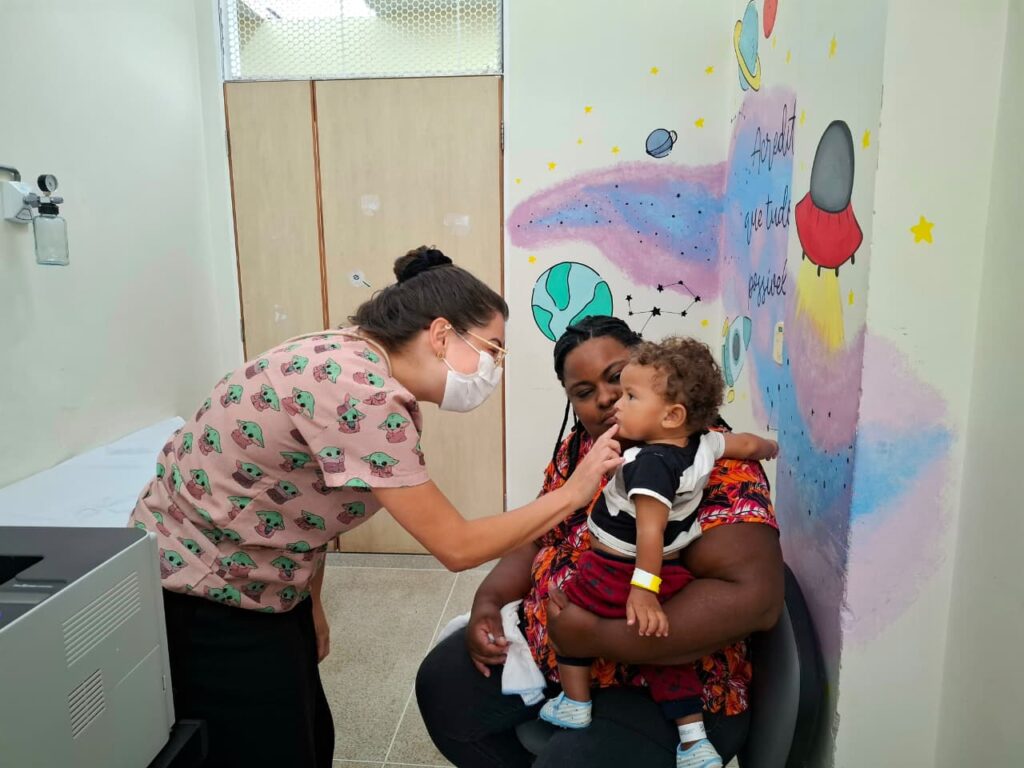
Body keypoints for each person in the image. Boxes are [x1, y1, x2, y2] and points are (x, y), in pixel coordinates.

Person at [128, 247, 622, 768]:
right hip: (209, 590)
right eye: (492, 350)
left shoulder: (342, 351)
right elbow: (456, 546)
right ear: (440, 334)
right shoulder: (361, 396)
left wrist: (309, 602)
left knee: (308, 731)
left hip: (258, 576)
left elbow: (305, 496)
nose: (493, 368)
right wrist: (572, 493)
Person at [416, 316, 784, 767]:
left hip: (667, 683)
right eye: (584, 392)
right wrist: (489, 601)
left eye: (618, 380)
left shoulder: (711, 468)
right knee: (443, 688)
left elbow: (754, 600)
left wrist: (593, 636)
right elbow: (538, 536)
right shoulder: (582, 450)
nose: (608, 398)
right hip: (566, 655)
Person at [538, 337, 779, 768]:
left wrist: (640, 592)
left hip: (616, 575)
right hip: (661, 584)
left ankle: (575, 702)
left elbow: (650, 533)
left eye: (626, 391)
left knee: (566, 620)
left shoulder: (649, 463)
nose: (614, 401)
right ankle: (693, 738)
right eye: (585, 392)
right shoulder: (702, 444)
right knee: (667, 662)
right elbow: (741, 444)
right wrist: (768, 447)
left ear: (671, 414)